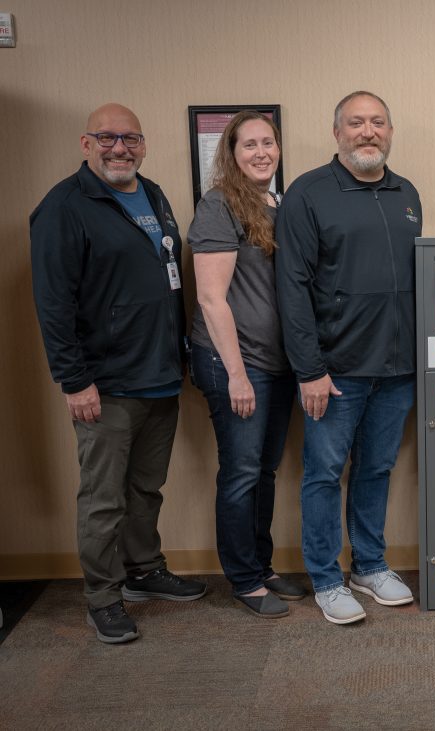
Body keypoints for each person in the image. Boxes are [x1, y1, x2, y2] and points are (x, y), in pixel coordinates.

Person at [30, 103, 206, 644]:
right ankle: (102, 596)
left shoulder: (152, 194)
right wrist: (73, 379)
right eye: (107, 138)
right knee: (103, 499)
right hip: (104, 384)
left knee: (146, 488)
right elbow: (53, 302)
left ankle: (143, 571)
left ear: (144, 144)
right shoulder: (65, 206)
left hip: (159, 372)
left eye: (130, 138)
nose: (119, 148)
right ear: (87, 144)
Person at [275, 91, 421, 624]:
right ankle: (325, 577)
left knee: (376, 469)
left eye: (377, 122)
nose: (368, 131)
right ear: (336, 132)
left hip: (398, 369)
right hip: (334, 373)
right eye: (356, 123)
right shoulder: (308, 194)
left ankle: (370, 565)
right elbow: (291, 288)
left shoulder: (407, 193)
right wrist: (309, 370)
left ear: (390, 130)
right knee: (323, 473)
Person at [188, 111, 304, 618]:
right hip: (236, 364)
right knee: (240, 473)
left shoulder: (278, 203)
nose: (261, 152)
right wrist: (236, 374)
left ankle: (261, 564)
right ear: (231, 154)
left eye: (268, 142)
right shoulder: (219, 205)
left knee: (265, 471)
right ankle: (243, 578)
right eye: (249, 145)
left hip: (277, 365)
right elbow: (212, 300)